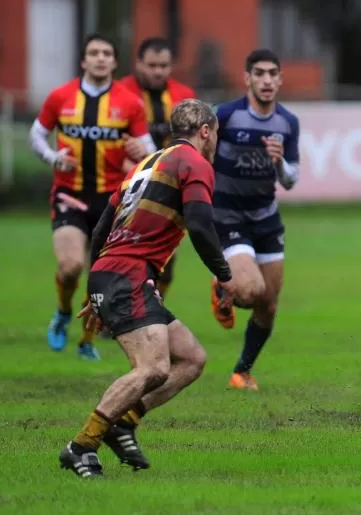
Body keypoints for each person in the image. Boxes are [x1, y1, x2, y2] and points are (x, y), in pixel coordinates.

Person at [59, 99, 235, 478]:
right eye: (216, 133)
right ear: (205, 130)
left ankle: (124, 422)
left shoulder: (146, 164)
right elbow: (201, 226)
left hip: (116, 272)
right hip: (128, 274)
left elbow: (100, 229)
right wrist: (225, 274)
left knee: (191, 359)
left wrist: (94, 286)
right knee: (153, 368)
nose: (216, 140)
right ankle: (82, 445)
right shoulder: (195, 163)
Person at [30, 33, 156, 360]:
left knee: (99, 277)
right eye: (94, 53)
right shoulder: (61, 97)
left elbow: (153, 153)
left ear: (114, 62)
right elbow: (37, 134)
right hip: (69, 194)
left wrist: (142, 150)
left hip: (111, 201)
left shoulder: (129, 102)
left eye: (106, 53)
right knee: (71, 266)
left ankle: (86, 342)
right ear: (83, 60)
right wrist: (51, 157)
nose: (100, 58)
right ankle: (61, 312)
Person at [209, 49, 300, 391]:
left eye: (272, 74)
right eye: (259, 73)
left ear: (279, 79)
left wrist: (278, 163)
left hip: (266, 217)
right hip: (228, 215)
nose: (266, 80)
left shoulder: (288, 122)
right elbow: (205, 158)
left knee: (269, 304)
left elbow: (291, 179)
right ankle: (224, 285)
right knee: (250, 292)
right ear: (247, 78)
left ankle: (241, 373)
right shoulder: (228, 115)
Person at [118, 37, 198, 299]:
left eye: (163, 65)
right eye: (151, 65)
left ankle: (152, 307)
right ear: (138, 63)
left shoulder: (185, 96)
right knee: (122, 257)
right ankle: (113, 310)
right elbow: (109, 144)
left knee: (166, 264)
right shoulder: (120, 93)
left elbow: (195, 143)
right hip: (127, 188)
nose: (158, 71)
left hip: (169, 189)